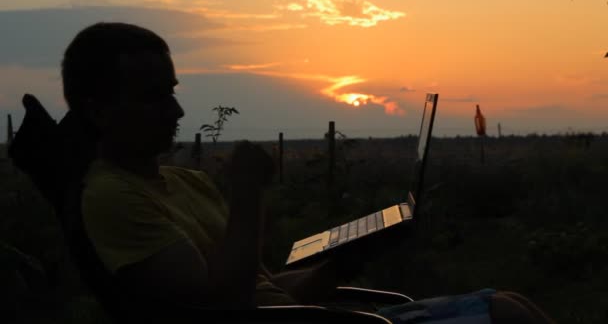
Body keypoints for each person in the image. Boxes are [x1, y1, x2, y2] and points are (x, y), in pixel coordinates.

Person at [54, 22, 555, 323]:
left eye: (173, 90)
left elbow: (264, 290)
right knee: (506, 314)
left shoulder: (186, 183)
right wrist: (248, 192)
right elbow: (223, 308)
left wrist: (340, 266)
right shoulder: (112, 199)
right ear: (99, 110)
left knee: (510, 302)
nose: (176, 111)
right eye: (153, 96)